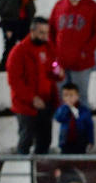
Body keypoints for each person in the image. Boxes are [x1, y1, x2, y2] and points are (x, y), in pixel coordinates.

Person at [6, 17, 62, 155]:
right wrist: (32, 98)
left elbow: (54, 64)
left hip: (46, 102)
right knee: (26, 139)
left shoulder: (49, 48)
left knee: (45, 140)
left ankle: (40, 173)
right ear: (32, 31)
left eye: (46, 33)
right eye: (41, 33)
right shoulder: (18, 52)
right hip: (26, 106)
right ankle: (23, 172)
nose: (44, 36)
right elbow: (14, 82)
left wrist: (58, 72)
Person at [49, 0, 96, 102]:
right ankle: (64, 123)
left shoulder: (93, 7)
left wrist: (85, 51)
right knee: (60, 98)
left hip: (82, 62)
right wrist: (54, 54)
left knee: (81, 98)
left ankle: (81, 122)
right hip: (60, 62)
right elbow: (51, 32)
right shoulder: (59, 6)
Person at [53, 83, 95, 154]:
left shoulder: (84, 110)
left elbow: (89, 126)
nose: (69, 98)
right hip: (65, 142)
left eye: (71, 95)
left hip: (81, 142)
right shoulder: (62, 109)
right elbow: (58, 118)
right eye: (66, 95)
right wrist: (67, 108)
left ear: (77, 96)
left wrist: (91, 140)